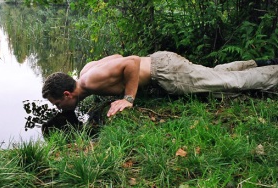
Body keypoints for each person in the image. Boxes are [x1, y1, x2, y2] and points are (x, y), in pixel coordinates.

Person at [42, 51, 278, 117]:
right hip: (161, 63)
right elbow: (115, 57)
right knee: (214, 76)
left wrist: (128, 98)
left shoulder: (90, 80)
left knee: (227, 84)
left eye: (57, 103)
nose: (57, 107)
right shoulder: (86, 71)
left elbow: (130, 62)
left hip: (165, 72)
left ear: (67, 93)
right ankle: (260, 63)